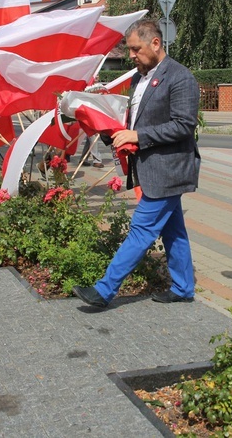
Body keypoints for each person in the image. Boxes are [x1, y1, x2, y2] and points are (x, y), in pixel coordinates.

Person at [72, 19, 201, 308]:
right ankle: (183, 287)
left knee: (141, 230)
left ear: (155, 43)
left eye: (135, 49)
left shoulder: (180, 77)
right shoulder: (138, 78)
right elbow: (134, 121)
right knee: (173, 231)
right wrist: (111, 131)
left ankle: (104, 291)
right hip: (151, 167)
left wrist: (138, 135)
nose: (131, 56)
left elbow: (183, 125)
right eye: (129, 49)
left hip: (169, 169)